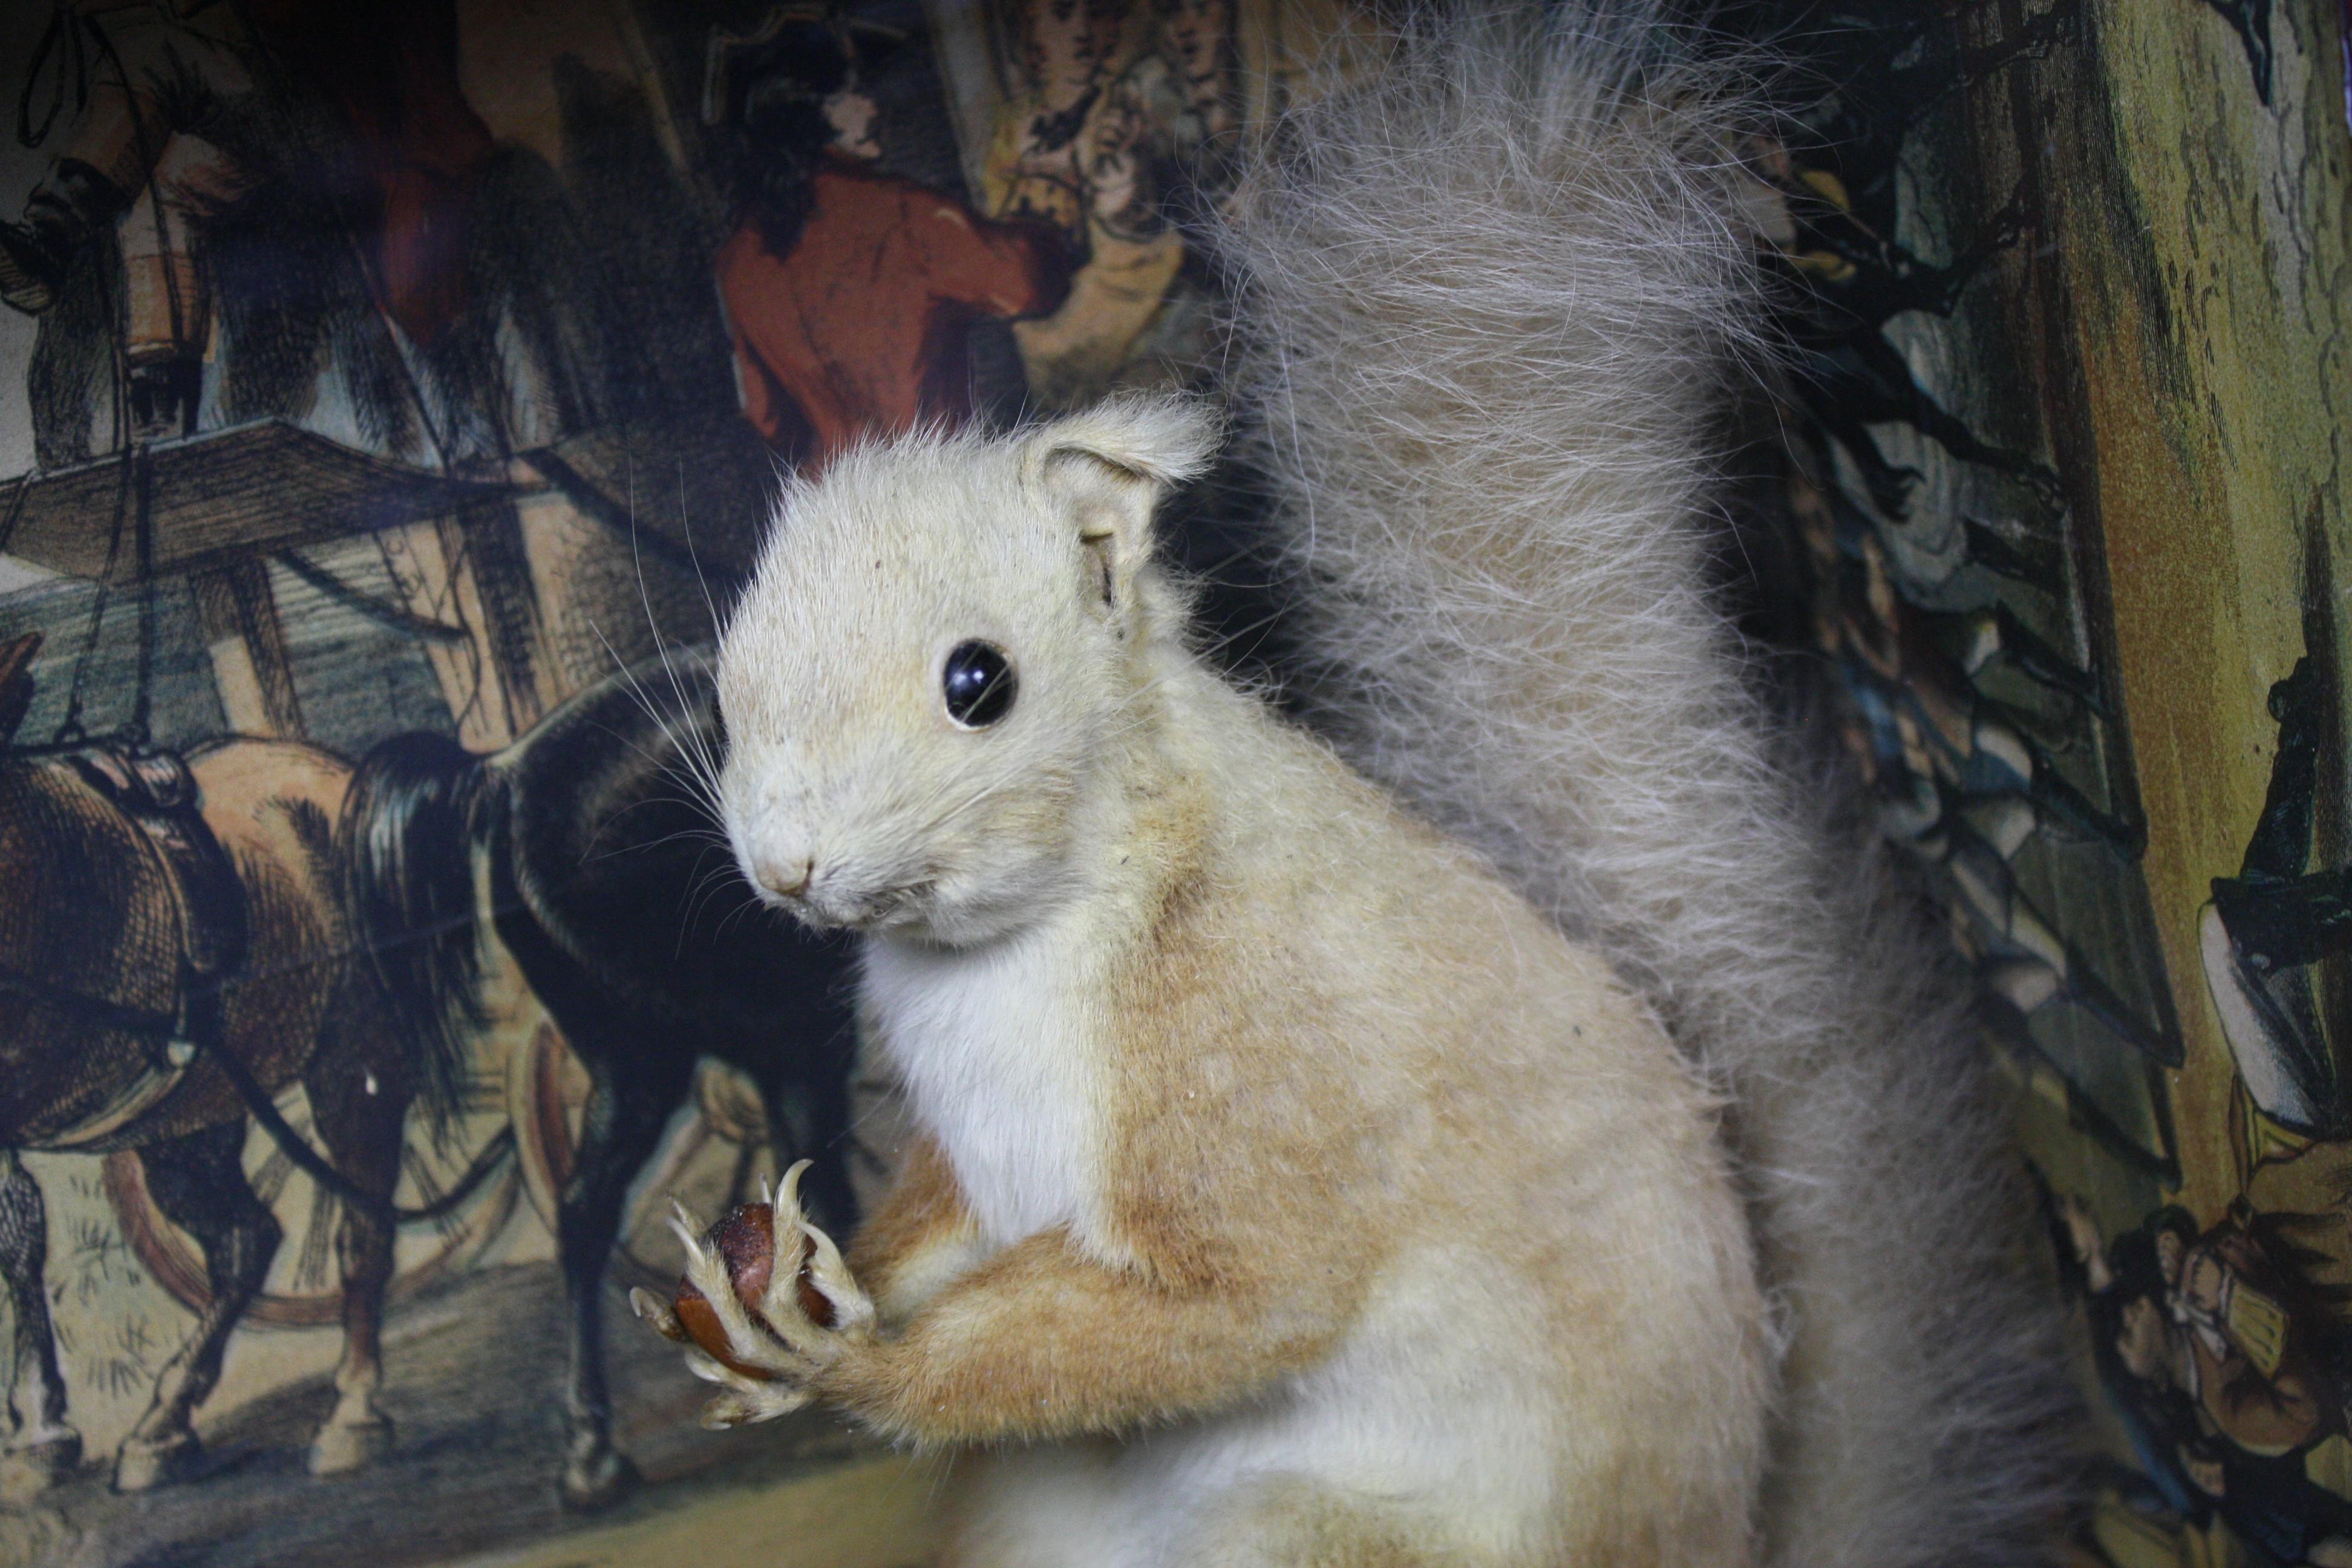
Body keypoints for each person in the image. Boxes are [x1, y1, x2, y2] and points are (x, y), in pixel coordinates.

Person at [705, 12, 1073, 467]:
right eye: (853, 93)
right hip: (936, 488)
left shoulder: (736, 263)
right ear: (812, 113)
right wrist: (1050, 205)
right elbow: (1029, 285)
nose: (873, 107)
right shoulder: (899, 212)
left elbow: (767, 419)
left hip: (839, 508)